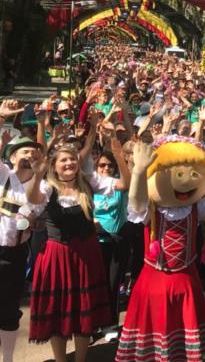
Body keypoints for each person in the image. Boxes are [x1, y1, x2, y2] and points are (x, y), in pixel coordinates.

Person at [116, 136, 205, 362]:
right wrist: (139, 172)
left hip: (186, 281)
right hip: (154, 281)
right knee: (154, 340)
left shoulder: (195, 208)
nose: (185, 181)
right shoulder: (151, 209)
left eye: (192, 174)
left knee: (182, 343)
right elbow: (136, 201)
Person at [31, 142, 127, 362]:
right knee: (58, 313)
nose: (69, 163)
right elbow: (33, 199)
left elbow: (125, 183)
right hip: (58, 255)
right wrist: (37, 176)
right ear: (54, 166)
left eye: (72, 159)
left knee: (85, 309)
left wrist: (119, 156)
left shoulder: (89, 182)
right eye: (63, 160)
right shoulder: (47, 187)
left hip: (87, 253)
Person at [0, 100, 46, 362]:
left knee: (9, 311)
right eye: (24, 152)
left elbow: (34, 202)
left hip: (15, 252)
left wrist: (39, 175)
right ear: (11, 157)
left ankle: (7, 359)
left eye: (34, 153)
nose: (29, 155)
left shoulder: (43, 187)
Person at [92, 133, 131, 343]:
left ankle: (110, 324)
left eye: (110, 166)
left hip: (116, 242)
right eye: (102, 166)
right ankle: (91, 325)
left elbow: (130, 180)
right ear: (96, 168)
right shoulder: (90, 186)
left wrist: (119, 157)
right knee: (93, 285)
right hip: (94, 244)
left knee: (112, 283)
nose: (106, 169)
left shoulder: (118, 186)